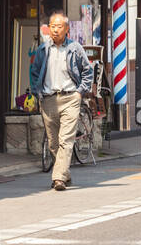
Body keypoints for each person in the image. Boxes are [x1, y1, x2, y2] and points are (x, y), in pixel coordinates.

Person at [30, 11, 93, 191]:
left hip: (70, 97)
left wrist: (80, 92)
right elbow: (34, 72)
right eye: (52, 26)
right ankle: (64, 173)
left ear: (66, 29)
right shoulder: (43, 49)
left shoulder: (75, 48)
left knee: (66, 139)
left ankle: (58, 178)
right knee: (53, 142)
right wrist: (38, 92)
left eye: (59, 27)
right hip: (49, 99)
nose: (55, 30)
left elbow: (88, 71)